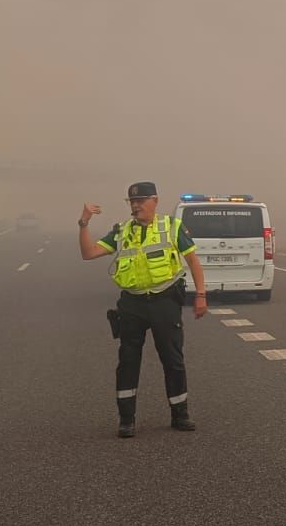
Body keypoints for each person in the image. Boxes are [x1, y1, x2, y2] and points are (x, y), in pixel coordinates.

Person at [78, 181, 208, 438]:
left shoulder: (172, 226)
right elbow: (88, 253)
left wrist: (201, 295)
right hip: (132, 303)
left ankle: (180, 414)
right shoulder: (121, 231)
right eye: (132, 202)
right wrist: (83, 224)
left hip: (165, 300)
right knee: (127, 361)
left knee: (172, 359)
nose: (136, 205)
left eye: (142, 200)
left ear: (155, 201)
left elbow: (193, 260)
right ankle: (127, 420)